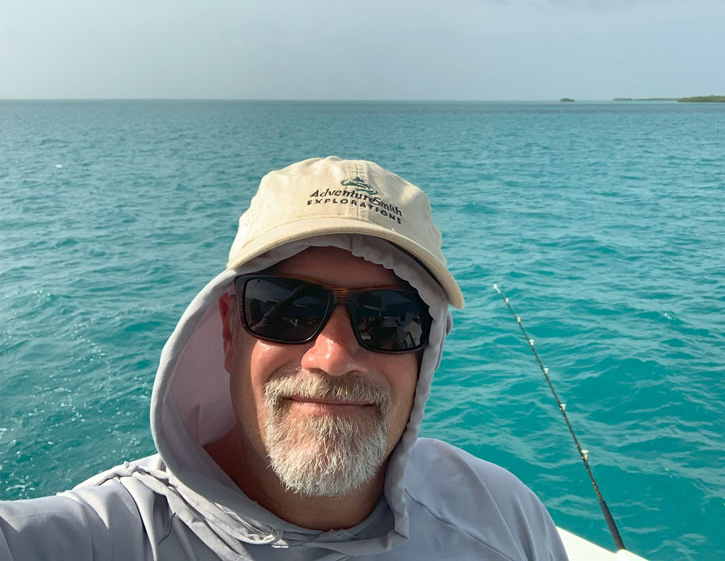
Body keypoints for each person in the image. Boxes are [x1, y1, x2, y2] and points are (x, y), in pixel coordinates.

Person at [0, 157, 567, 560]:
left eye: (388, 318)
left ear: (427, 349)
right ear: (228, 331)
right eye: (286, 309)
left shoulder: (504, 516)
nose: (333, 357)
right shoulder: (111, 536)